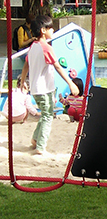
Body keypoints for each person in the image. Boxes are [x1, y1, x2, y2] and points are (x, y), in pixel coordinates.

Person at [20, 15, 80, 155]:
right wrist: (71, 83)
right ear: (43, 30)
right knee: (47, 116)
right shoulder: (46, 48)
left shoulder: (33, 47)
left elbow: (25, 66)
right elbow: (58, 67)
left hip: (37, 89)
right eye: (50, 27)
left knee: (45, 114)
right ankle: (41, 146)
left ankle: (35, 139)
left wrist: (23, 82)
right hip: (44, 89)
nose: (53, 30)